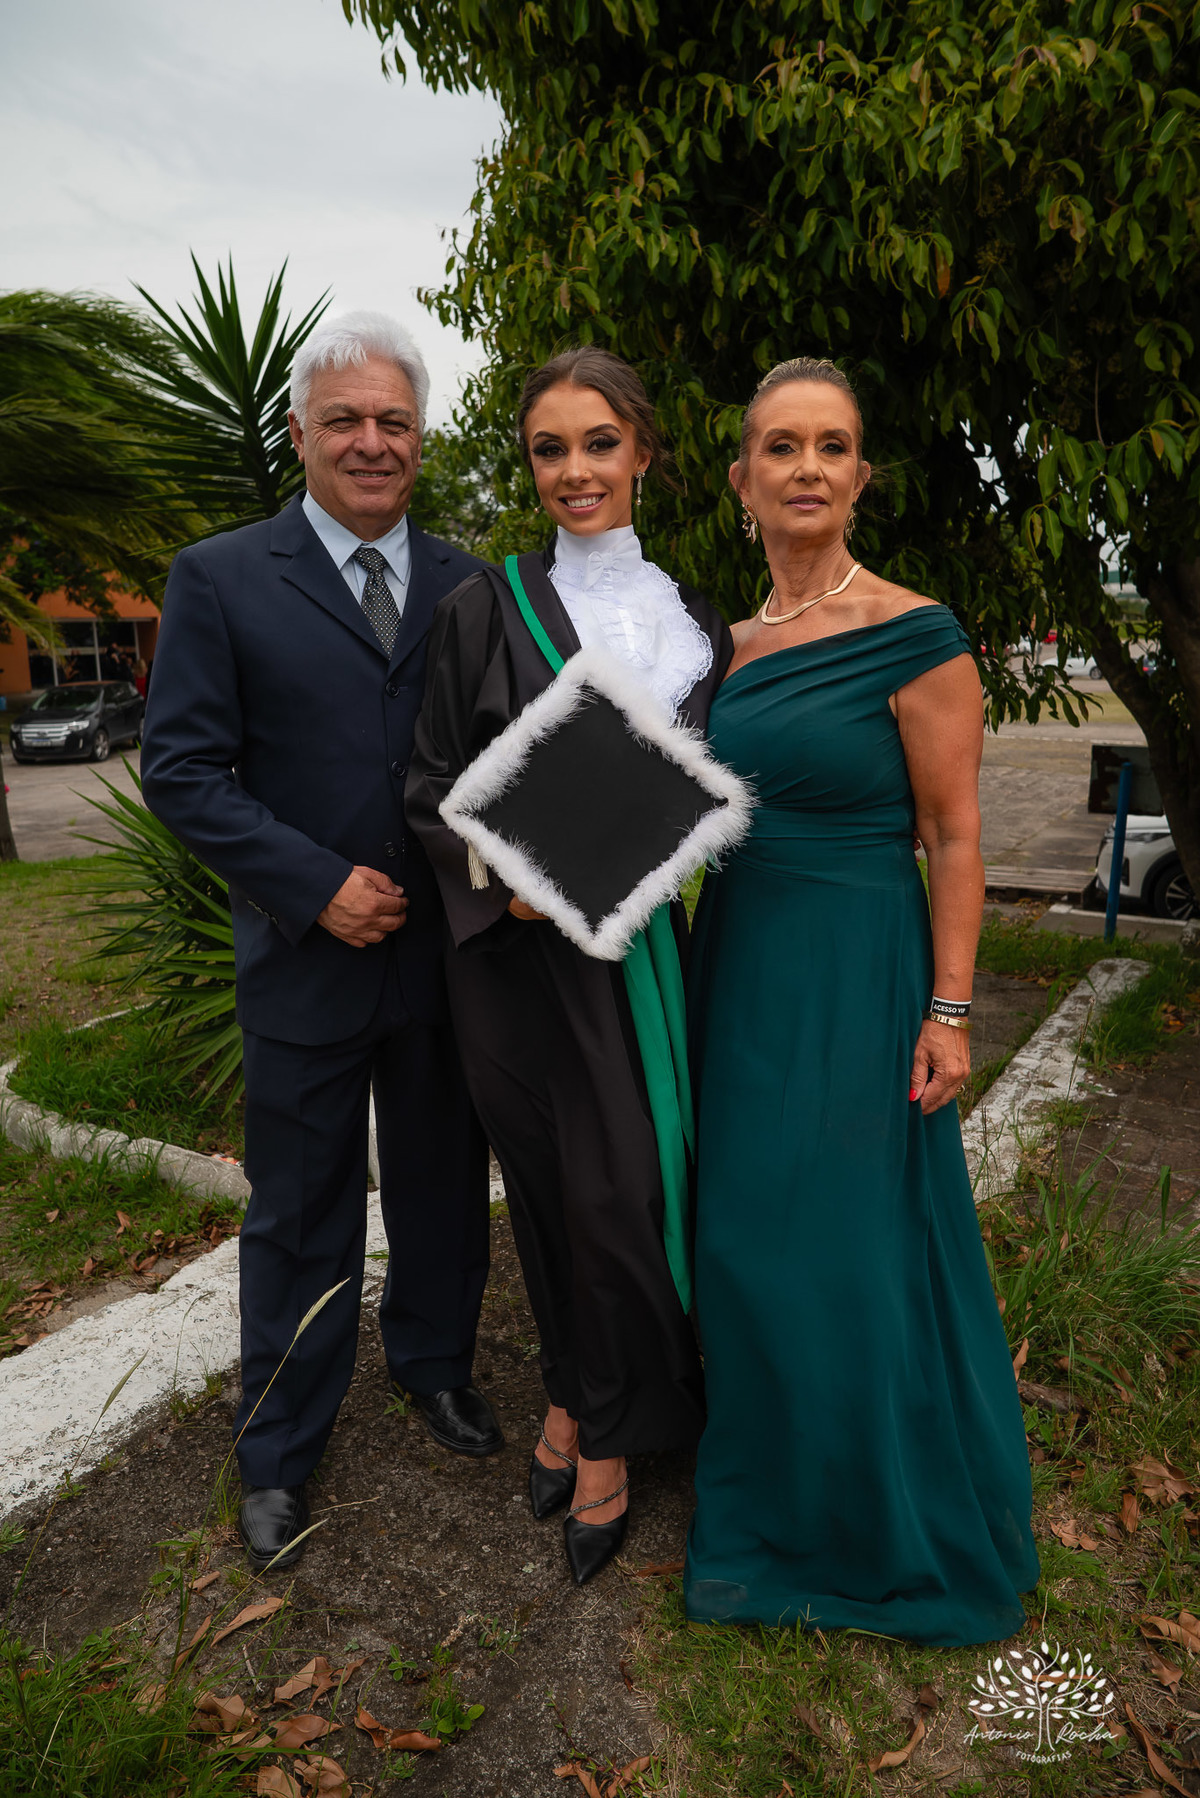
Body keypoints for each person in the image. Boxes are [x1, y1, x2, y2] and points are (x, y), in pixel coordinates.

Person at [684, 357, 1039, 1645]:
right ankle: (772, 1481)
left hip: (859, 960)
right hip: (742, 959)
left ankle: (868, 1514)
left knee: (844, 1238)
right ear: (742, 479)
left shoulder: (916, 631)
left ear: (862, 475)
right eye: (783, 447)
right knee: (741, 1234)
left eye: (833, 446)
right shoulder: (721, 648)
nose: (809, 469)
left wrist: (949, 1011)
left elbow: (954, 835)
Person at [141, 312, 497, 1572]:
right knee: (299, 1210)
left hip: (446, 963)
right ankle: (280, 1444)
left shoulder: (474, 582)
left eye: (393, 420)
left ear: (420, 437)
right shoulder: (222, 576)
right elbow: (181, 770)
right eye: (344, 419)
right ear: (300, 431)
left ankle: (437, 1366)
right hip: (304, 957)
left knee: (447, 1183)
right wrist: (313, 883)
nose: (369, 441)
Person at [406, 347, 732, 1584]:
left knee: (630, 1199)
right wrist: (509, 879)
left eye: (600, 443)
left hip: (644, 956)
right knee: (556, 1196)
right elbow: (426, 786)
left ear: (643, 451)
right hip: (517, 963)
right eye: (551, 448)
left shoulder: (701, 622)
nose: (575, 470)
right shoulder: (484, 609)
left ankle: (597, 1416)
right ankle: (587, 1421)